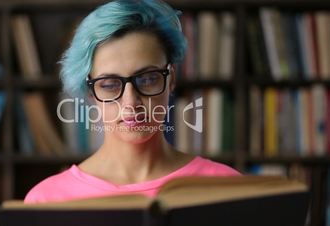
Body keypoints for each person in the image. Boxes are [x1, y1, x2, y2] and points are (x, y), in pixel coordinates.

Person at [24, 0, 240, 204]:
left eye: (147, 79)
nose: (131, 102)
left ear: (171, 79)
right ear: (91, 91)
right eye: (109, 84)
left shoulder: (228, 189)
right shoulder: (47, 200)